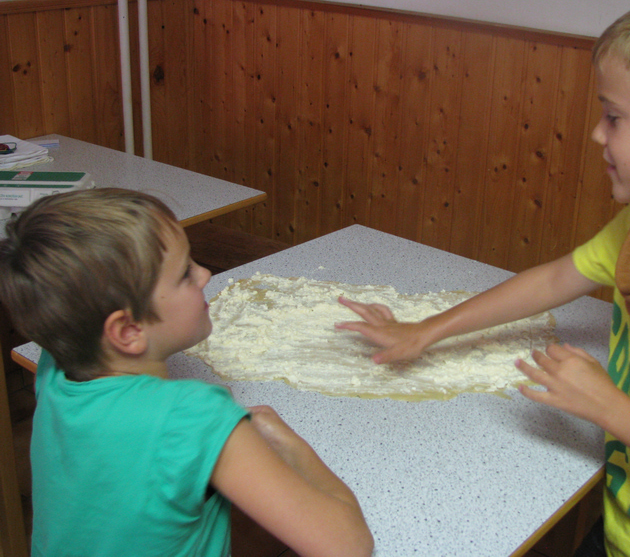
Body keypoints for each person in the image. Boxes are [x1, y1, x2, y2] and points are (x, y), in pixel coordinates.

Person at [336, 0, 630, 556]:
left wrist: (609, 408)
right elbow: (555, 279)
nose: (598, 135)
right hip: (629, 530)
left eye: (614, 117)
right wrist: (425, 330)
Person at [0, 188, 373, 557]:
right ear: (128, 331)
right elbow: (347, 546)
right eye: (184, 274)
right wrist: (290, 445)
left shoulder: (55, 364)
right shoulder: (195, 416)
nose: (205, 274)